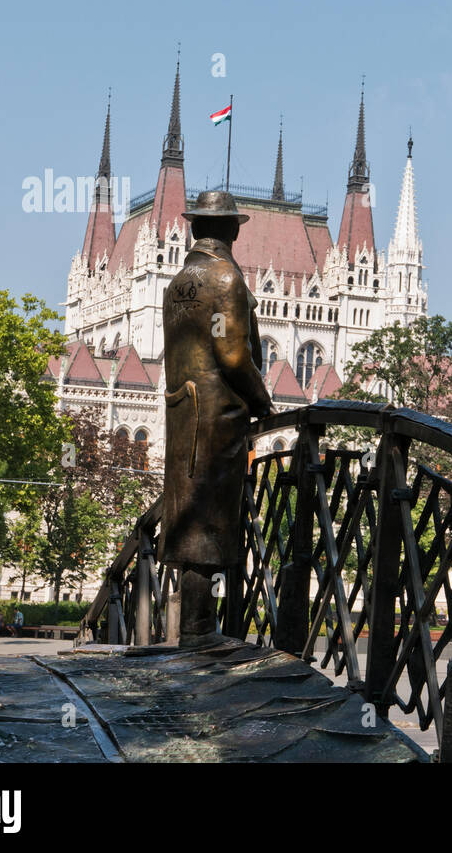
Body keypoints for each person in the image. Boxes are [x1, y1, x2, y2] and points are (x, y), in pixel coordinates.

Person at [159, 191, 273, 647]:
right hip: (218, 415)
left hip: (182, 412)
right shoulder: (223, 278)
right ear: (232, 229)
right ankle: (201, 629)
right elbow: (231, 354)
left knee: (189, 514)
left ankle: (193, 626)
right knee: (209, 518)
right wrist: (263, 400)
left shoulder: (178, 284)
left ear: (193, 229)